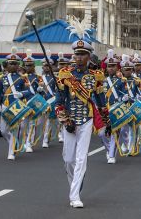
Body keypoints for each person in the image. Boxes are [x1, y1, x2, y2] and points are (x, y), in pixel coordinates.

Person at [55, 39, 109, 208]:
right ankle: (75, 184)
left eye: (82, 55)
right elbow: (59, 102)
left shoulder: (96, 76)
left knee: (81, 159)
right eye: (77, 54)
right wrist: (65, 120)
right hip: (70, 121)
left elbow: (101, 102)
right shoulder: (65, 74)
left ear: (88, 56)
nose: (79, 58)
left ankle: (75, 195)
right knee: (69, 159)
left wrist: (107, 122)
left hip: (87, 120)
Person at [0, 48, 34, 161]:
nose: (12, 65)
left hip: (16, 106)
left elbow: (30, 91)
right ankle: (14, 144)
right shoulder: (2, 78)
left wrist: (21, 94)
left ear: (18, 65)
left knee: (14, 129)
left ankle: (11, 152)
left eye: (15, 63)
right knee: (3, 131)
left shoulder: (23, 78)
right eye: (10, 63)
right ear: (7, 64)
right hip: (5, 105)